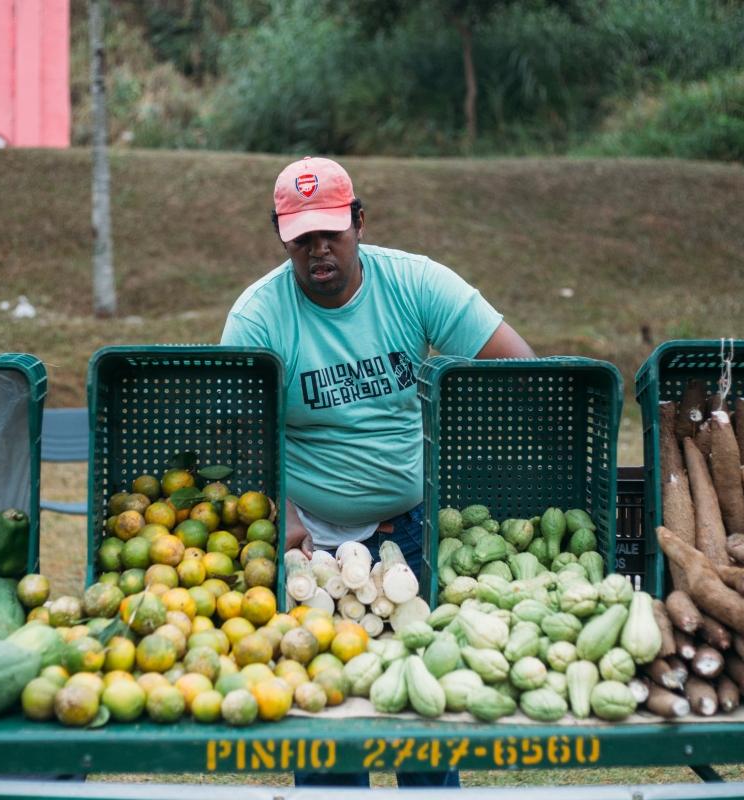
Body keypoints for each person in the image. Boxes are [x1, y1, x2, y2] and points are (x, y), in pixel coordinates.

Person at [220, 156, 535, 788]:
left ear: (359, 222)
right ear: (282, 238)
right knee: (327, 731)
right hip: (310, 552)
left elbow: (519, 368)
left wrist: (468, 478)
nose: (318, 252)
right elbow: (234, 441)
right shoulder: (258, 318)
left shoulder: (414, 284)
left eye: (330, 234)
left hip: (413, 533)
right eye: (301, 239)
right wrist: (281, 520)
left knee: (425, 721)